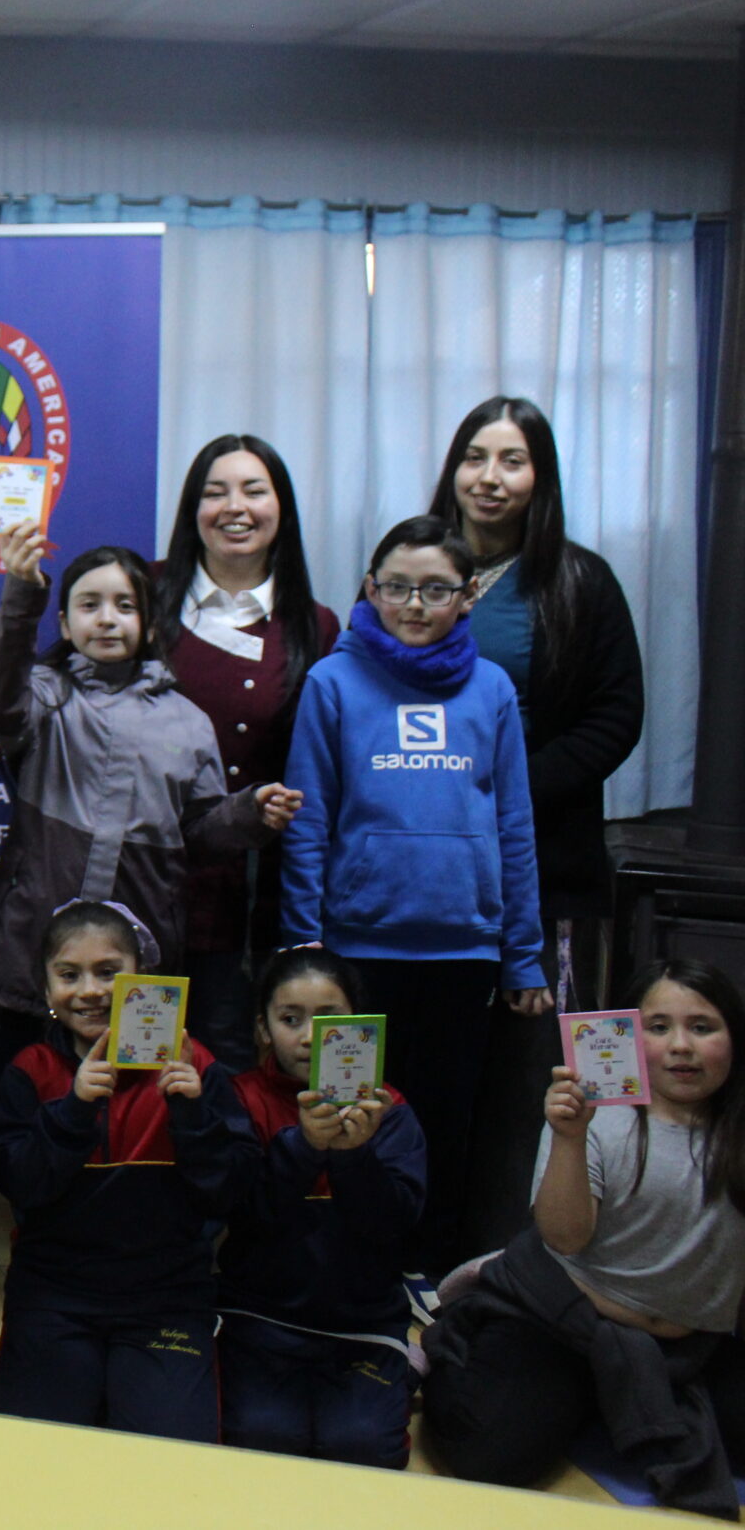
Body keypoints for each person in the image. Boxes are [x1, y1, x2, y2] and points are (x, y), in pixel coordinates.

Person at [281, 513, 539, 1279]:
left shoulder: (492, 686)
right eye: (398, 586)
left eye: (435, 589)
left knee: (445, 1121)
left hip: (464, 950)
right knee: (351, 1109)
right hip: (357, 949)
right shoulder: (332, 679)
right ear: (370, 588)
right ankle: (352, 1262)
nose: (415, 604)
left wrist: (522, 958)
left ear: (465, 597)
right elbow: (308, 819)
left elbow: (515, 823)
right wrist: (303, 942)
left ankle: (427, 1270)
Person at [0, 522, 296, 1094]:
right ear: (65, 624)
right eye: (89, 605)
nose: (107, 617)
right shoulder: (45, 694)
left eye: (125, 605)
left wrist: (248, 813)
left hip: (142, 953)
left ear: (148, 625)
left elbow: (203, 830)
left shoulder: (187, 722)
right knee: (27, 1099)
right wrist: (22, 595)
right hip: (31, 944)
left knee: (135, 1104)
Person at [427, 397, 644, 1255]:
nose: (489, 477)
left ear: (540, 477)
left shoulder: (579, 581)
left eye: (512, 460)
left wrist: (510, 792)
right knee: (444, 1077)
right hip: (430, 876)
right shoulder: (415, 565)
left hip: (549, 872)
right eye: (475, 456)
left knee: (541, 1080)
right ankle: (429, 1256)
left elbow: (615, 718)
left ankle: (528, 1264)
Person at [424, 962, 745, 1516]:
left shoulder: (735, 1130)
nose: (681, 1046)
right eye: (659, 1026)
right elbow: (565, 1238)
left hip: (690, 1342)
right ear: (625, 1034)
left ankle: (614, 1395)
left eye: (703, 1027)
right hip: (561, 1318)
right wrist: (570, 1138)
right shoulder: (594, 1114)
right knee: (489, 1457)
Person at [0, 899, 258, 1441]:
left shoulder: (195, 1064)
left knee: (172, 1459)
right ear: (46, 992)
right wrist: (74, 1110)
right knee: (32, 1450)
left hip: (166, 1299)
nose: (89, 990)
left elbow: (233, 1193)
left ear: (143, 982)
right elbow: (21, 1184)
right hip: (54, 1295)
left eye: (109, 972)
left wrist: (192, 1115)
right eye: (69, 974)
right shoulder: (30, 1071)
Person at [155, 435, 340, 1067]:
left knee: (226, 1062)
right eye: (216, 492)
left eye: (254, 490)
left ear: (281, 507)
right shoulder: (146, 595)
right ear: (191, 510)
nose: (236, 507)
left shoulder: (315, 626)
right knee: (134, 1061)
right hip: (143, 873)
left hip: (247, 897)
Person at [218, 950, 426, 1469]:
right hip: (259, 1320)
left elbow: (394, 1226)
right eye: (291, 1019)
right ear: (263, 1029)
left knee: (360, 1450)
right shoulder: (238, 1098)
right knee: (262, 1440)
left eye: (331, 1020)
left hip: (362, 1328)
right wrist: (305, 1148)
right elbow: (242, 1215)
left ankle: (413, 1363)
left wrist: (354, 1156)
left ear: (362, 1028)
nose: (312, 1035)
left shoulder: (391, 1111)